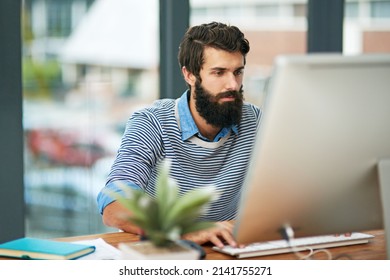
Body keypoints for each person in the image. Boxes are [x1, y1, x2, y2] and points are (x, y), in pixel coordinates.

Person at [97, 22, 261, 248]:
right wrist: (182, 232)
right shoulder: (152, 122)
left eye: (238, 72)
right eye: (219, 72)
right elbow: (114, 203)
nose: (232, 84)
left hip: (229, 248)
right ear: (190, 75)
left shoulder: (255, 121)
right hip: (165, 250)